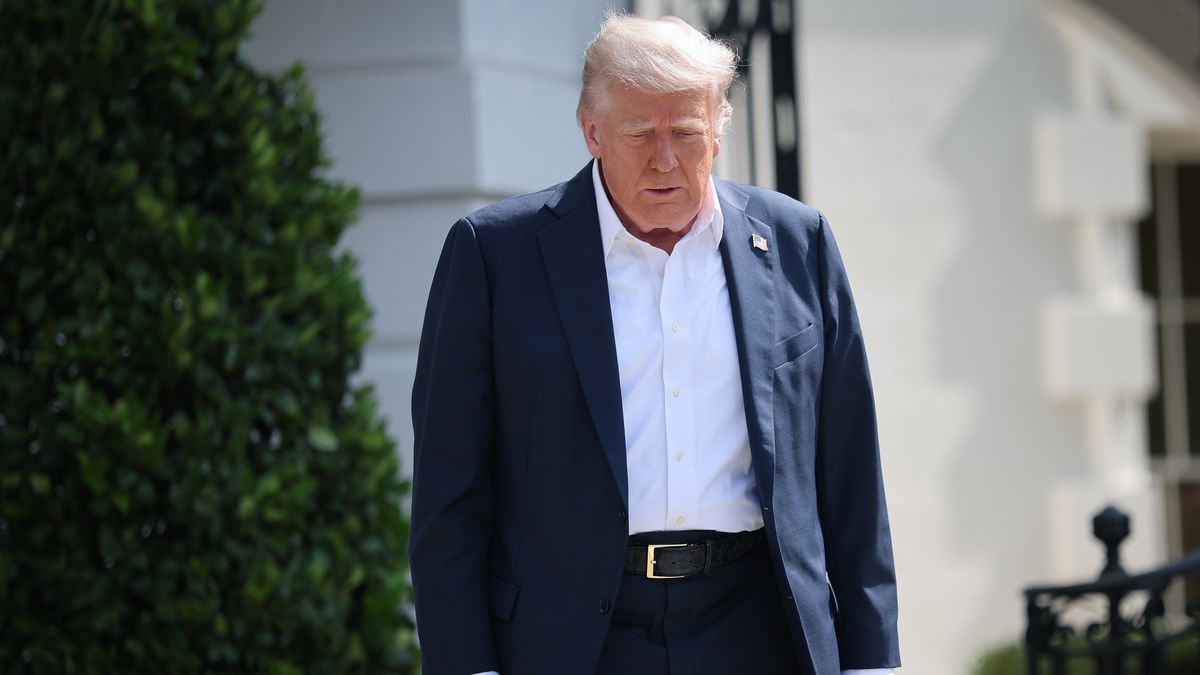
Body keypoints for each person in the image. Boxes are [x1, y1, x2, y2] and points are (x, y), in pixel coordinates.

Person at [410, 13, 899, 675]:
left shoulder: (797, 241)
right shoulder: (495, 255)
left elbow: (850, 471)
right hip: (571, 637)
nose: (665, 160)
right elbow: (450, 490)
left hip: (759, 625)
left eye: (687, 133)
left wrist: (872, 660)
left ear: (719, 129)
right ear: (592, 131)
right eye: (640, 134)